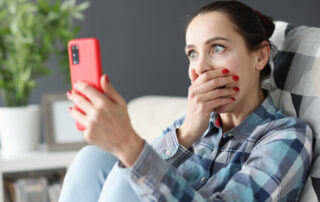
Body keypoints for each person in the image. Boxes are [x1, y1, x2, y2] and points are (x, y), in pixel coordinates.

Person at [59, 1, 313, 201]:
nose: (200, 68)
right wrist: (187, 133)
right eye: (192, 53)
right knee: (93, 157)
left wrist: (128, 145)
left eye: (217, 48)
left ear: (260, 57)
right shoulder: (188, 125)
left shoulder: (287, 136)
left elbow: (135, 178)